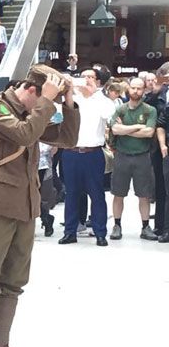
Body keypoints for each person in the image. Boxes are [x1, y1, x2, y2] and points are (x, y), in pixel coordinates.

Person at [0, 64, 80, 347]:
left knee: (14, 282)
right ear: (32, 91)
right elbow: (25, 133)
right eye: (46, 100)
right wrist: (47, 101)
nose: (50, 108)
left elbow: (67, 139)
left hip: (26, 206)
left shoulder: (34, 111)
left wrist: (68, 103)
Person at [59, 67, 116, 245]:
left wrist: (93, 94)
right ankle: (70, 231)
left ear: (98, 81)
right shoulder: (73, 98)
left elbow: (108, 114)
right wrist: (69, 88)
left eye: (90, 77)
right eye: (83, 77)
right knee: (71, 193)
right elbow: (62, 112)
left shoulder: (103, 100)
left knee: (97, 193)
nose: (86, 80)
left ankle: (100, 232)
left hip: (93, 153)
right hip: (71, 152)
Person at [109, 77, 158, 241]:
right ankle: (117, 225)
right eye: (133, 88)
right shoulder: (121, 109)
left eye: (139, 88)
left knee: (144, 195)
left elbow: (149, 132)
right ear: (128, 89)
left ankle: (145, 227)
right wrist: (137, 127)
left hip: (142, 157)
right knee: (118, 194)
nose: (136, 91)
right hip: (122, 156)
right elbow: (114, 129)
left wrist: (125, 130)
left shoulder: (149, 110)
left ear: (144, 90)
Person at [145, 63, 168, 239]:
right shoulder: (158, 94)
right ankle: (160, 225)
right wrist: (156, 90)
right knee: (159, 186)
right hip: (159, 146)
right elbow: (146, 109)